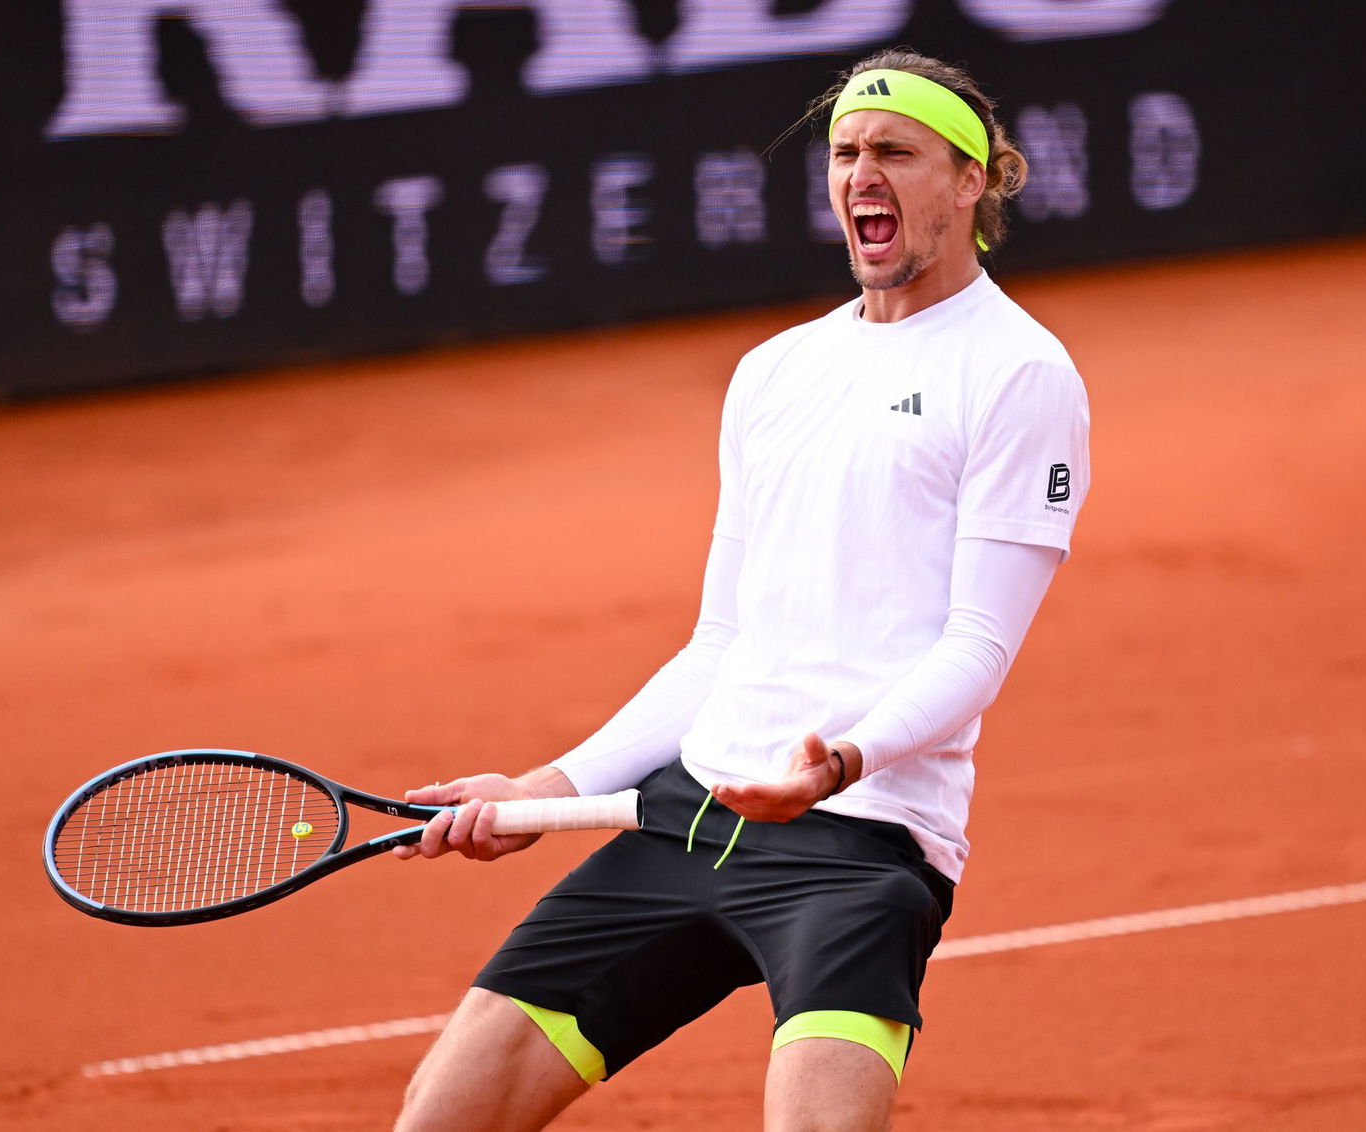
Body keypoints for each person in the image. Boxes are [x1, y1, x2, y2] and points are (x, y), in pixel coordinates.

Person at [390, 48, 1090, 1132]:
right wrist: (541, 786)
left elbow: (976, 647)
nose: (862, 173)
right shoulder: (774, 373)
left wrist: (839, 762)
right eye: (845, 152)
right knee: (440, 1116)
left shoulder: (1018, 372)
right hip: (686, 820)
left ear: (972, 180)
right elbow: (720, 641)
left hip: (861, 845)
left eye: (895, 151)